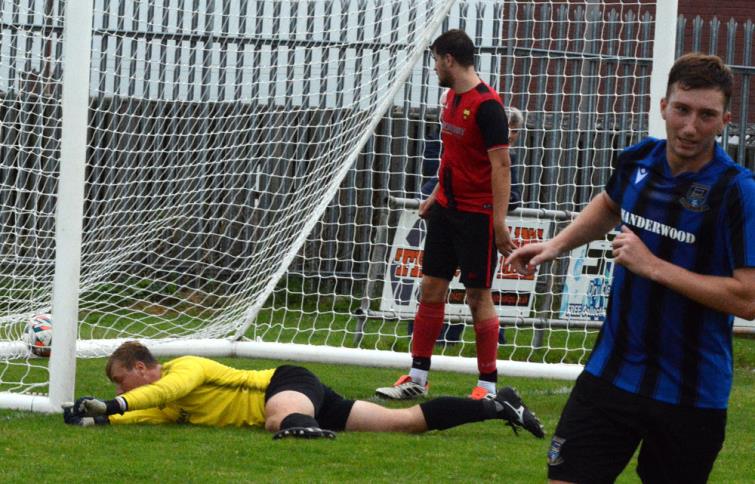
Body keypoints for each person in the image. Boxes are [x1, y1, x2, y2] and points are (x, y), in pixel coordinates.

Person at [506, 53, 755, 483]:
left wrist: (652, 266)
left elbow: (748, 299)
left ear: (725, 119)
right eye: (682, 110)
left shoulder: (737, 192)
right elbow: (610, 203)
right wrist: (557, 244)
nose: (691, 127)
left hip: (691, 393)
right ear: (664, 106)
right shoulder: (638, 160)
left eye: (706, 115)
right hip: (612, 373)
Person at [375, 29, 527, 409]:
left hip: (478, 215)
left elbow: (501, 165)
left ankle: (488, 386)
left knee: (478, 296)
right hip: (446, 209)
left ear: (448, 60)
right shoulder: (450, 98)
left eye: (435, 60)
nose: (433, 68)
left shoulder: (488, 106)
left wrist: (499, 222)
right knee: (430, 287)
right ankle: (418, 377)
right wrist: (433, 197)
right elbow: (451, 156)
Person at [63, 340, 544, 439]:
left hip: (286, 383)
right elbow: (150, 413)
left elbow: (159, 398)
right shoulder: (164, 401)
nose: (124, 389)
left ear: (145, 368)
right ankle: (497, 408)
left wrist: (115, 402)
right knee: (402, 424)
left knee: (280, 421)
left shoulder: (183, 369)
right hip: (306, 398)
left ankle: (301, 428)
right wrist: (100, 416)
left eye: (124, 380)